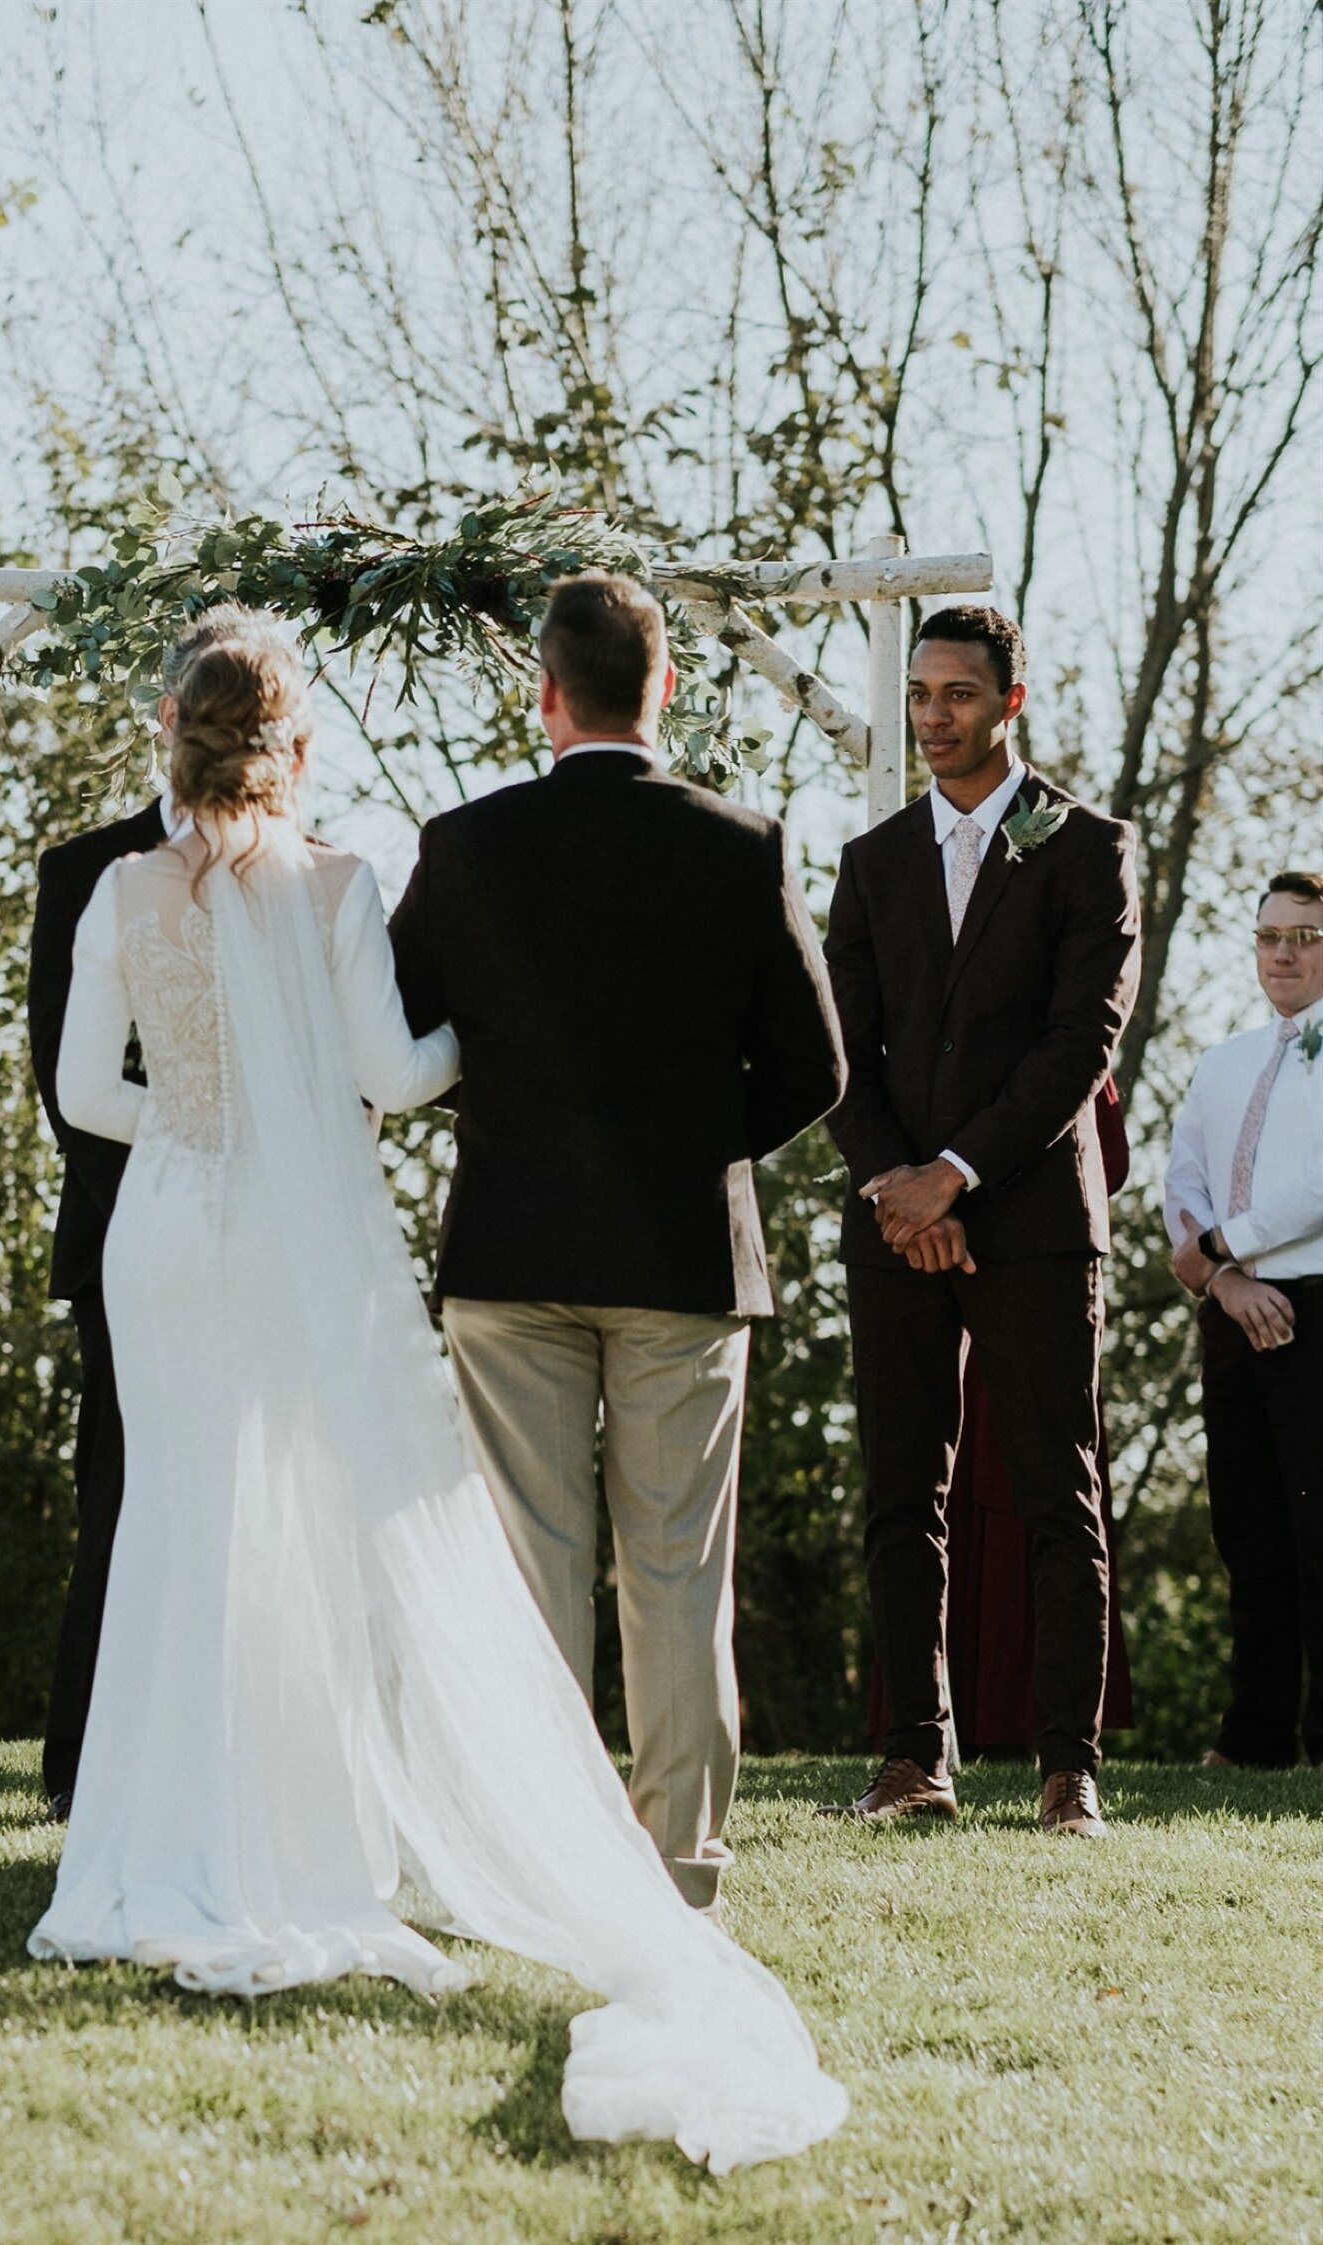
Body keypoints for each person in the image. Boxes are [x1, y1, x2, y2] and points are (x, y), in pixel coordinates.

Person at [28, 624, 848, 2172]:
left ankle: (147, 1850)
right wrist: (571, 1071)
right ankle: (433, 1851)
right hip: (334, 1241)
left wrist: (205, 1116)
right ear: (299, 743)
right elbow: (399, 1076)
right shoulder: (342, 880)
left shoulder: (126, 890)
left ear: (173, 734)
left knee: (181, 1524)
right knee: (337, 1536)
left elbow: (83, 1095)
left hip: (171, 1234)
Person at [388, 571, 845, 1912]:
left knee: (528, 1561)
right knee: (675, 1569)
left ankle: (534, 1856)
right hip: (684, 1260)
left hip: (513, 1250)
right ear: (664, 690)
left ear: (546, 695)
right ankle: (682, 1870)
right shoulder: (740, 844)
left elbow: (398, 1048)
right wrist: (697, 1141)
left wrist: (505, 1109)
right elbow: (815, 1070)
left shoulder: (465, 846)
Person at [820, 604, 1141, 1837]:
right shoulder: (871, 859)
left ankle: (1069, 1767)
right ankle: (914, 1758)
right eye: (920, 694)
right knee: (904, 1493)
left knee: (1063, 1489)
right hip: (897, 1222)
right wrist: (902, 1184)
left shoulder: (1088, 846)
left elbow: (1082, 1041)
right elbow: (840, 1050)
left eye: (957, 693)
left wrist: (956, 1173)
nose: (933, 715)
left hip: (1032, 1221)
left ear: (1010, 700)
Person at [28, 601, 278, 1820]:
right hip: (137, 1233)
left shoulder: (304, 870)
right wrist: (209, 1130)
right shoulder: (85, 871)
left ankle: (245, 1747)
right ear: (166, 713)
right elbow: (65, 1088)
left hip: (278, 1231)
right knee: (122, 1493)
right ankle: (83, 1764)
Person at [864, 1078, 1136, 1755]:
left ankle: (1062, 1752)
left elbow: (1109, 1152)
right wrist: (915, 1196)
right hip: (907, 1241)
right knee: (913, 1500)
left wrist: (955, 1180)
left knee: (1053, 1504)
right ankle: (920, 1745)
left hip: (1035, 1265)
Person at [1164, 869, 1323, 1771]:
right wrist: (1223, 1281)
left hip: (1317, 1305)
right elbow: (1180, 1179)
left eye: (1304, 936)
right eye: (1271, 935)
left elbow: (1316, 1188)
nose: (1283, 953)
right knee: (1248, 1531)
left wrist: (1225, 1242)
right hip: (1232, 1315)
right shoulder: (1221, 1061)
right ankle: (1254, 1737)